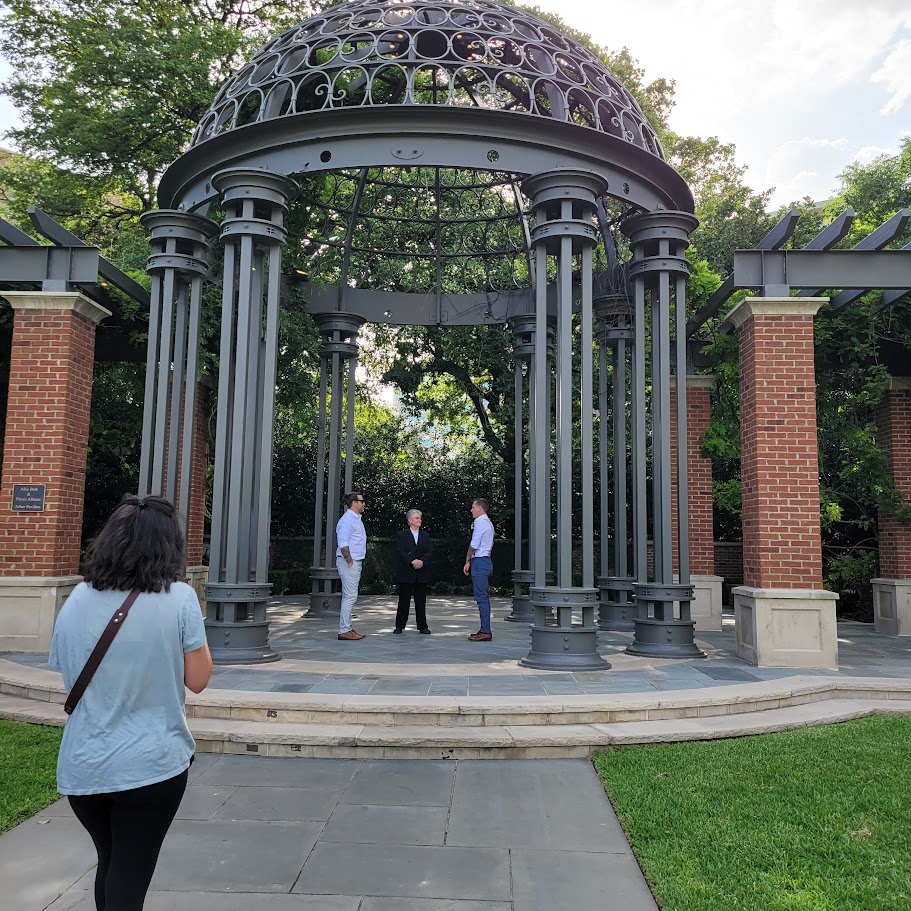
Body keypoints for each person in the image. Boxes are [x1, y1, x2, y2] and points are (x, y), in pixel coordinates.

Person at [48, 493, 212, 911]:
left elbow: (65, 669)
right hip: (151, 761)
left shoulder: (77, 597)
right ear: (167, 545)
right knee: (131, 871)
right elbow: (198, 680)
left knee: (112, 862)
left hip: (84, 763)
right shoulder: (179, 598)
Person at [394, 508, 434, 634]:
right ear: (410, 520)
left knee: (421, 601)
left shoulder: (425, 535)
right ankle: (399, 626)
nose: (419, 520)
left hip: (421, 573)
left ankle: (423, 626)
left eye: (420, 518)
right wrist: (412, 561)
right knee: (404, 601)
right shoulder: (402, 535)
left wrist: (422, 561)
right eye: (417, 518)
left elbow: (429, 551)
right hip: (406, 572)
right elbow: (400, 551)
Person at [336, 490, 367, 640]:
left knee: (350, 596)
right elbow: (343, 543)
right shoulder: (347, 520)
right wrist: (349, 561)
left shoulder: (355, 519)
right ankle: (344, 630)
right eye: (361, 501)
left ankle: (347, 627)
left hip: (353, 561)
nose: (363, 504)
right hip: (349, 562)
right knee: (349, 597)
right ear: (354, 503)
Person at [463, 497, 495, 641]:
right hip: (484, 561)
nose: (471, 510)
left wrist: (467, 558)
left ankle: (485, 631)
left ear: (480, 508)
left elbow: (474, 544)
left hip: (480, 562)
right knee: (482, 598)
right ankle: (484, 629)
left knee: (481, 598)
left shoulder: (480, 521)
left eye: (473, 507)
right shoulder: (487, 522)